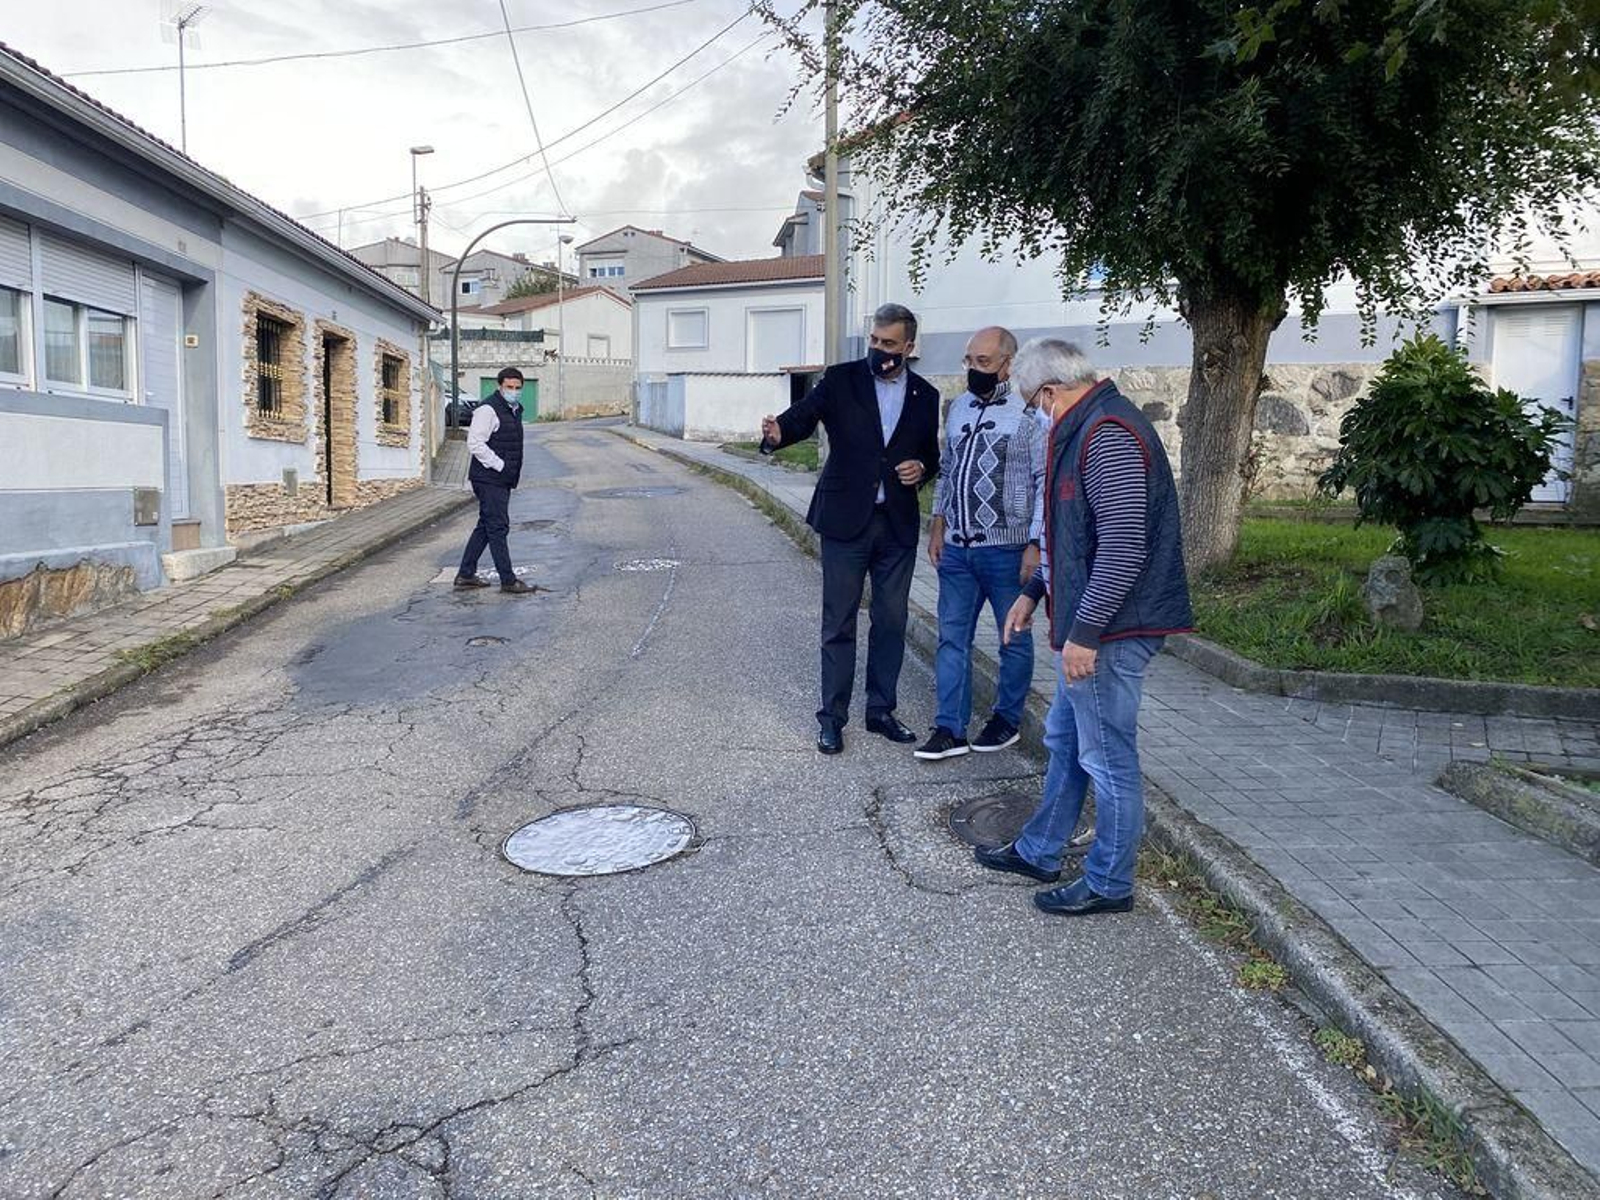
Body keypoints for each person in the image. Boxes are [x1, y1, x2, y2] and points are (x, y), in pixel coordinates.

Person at [973, 339, 1193, 916]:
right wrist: (1033, 591)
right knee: (1067, 743)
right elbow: (1075, 536)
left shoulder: (1108, 435)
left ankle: (1109, 883)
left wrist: (1085, 634)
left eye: (1032, 403)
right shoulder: (1085, 429)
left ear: (1050, 393)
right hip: (1097, 625)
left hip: (1112, 633)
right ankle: (1041, 848)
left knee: (1107, 758)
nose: (1035, 414)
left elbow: (1121, 549)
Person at [761, 303, 940, 755]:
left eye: (890, 344)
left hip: (896, 525)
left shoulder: (925, 395)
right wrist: (777, 434)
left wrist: (922, 467)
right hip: (845, 523)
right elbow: (803, 415)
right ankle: (832, 718)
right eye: (875, 342)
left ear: (909, 347)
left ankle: (880, 711)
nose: (880, 350)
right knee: (838, 621)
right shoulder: (841, 379)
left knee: (892, 620)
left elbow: (930, 456)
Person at [916, 326, 1044, 761]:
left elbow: (1044, 483)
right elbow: (949, 471)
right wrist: (937, 524)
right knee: (951, 639)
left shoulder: (1029, 412)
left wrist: (1036, 544)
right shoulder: (959, 409)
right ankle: (949, 728)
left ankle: (1006, 719)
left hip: (1008, 550)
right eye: (969, 361)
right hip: (957, 549)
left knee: (1014, 638)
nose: (973, 369)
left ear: (1009, 363)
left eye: (983, 362)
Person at [455, 367, 540, 595]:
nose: (514, 391)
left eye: (517, 388)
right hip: (489, 478)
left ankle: (465, 574)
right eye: (509, 387)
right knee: (498, 526)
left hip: (500, 479)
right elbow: (475, 443)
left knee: (486, 524)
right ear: (499, 386)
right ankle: (508, 580)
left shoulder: (513, 409)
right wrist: (499, 465)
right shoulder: (487, 410)